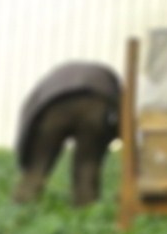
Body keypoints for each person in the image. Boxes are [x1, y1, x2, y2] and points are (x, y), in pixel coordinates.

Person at [13, 61, 122, 207]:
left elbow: (30, 111)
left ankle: (22, 203)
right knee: (87, 165)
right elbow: (122, 112)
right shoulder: (107, 76)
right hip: (95, 104)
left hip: (54, 105)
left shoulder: (54, 77)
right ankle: (85, 209)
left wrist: (27, 152)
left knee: (38, 164)